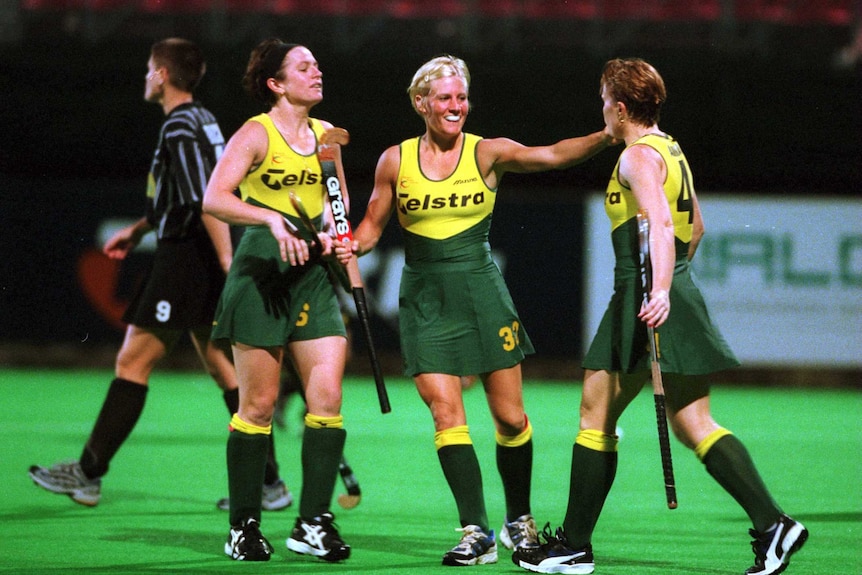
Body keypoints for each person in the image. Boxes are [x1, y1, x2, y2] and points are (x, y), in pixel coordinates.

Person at [512, 58, 808, 575]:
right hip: (671, 292)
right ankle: (773, 524)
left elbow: (664, 221)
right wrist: (676, 282)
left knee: (594, 414)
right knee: (694, 421)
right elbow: (697, 229)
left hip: (644, 295)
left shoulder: (636, 158)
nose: (601, 107)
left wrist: (660, 288)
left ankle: (575, 547)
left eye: (604, 99)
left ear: (621, 107)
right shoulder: (671, 148)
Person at [339, 55, 614, 567]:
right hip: (423, 298)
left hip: (483, 294)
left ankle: (519, 520)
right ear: (421, 103)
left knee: (511, 418)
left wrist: (605, 137)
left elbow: (551, 155)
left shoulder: (486, 153)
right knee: (446, 412)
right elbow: (373, 227)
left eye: (461, 97)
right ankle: (475, 531)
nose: (456, 106)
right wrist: (350, 244)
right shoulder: (394, 161)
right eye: (444, 98)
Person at [28, 37, 291, 513]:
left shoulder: (179, 127)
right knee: (222, 366)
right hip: (194, 251)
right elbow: (184, 192)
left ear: (164, 75)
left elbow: (203, 198)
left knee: (133, 361)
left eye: (150, 68)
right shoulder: (203, 119)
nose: (147, 76)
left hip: (187, 257)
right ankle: (268, 483)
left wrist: (227, 262)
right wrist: (139, 229)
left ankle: (87, 474)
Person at [202, 39, 351, 563]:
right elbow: (215, 197)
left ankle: (313, 522)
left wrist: (336, 234)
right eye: (304, 66)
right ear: (276, 83)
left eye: (316, 63)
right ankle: (243, 525)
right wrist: (269, 216)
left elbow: (337, 206)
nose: (317, 71)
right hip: (261, 270)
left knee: (326, 398)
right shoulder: (255, 133)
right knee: (259, 405)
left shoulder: (326, 137)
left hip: (311, 275)